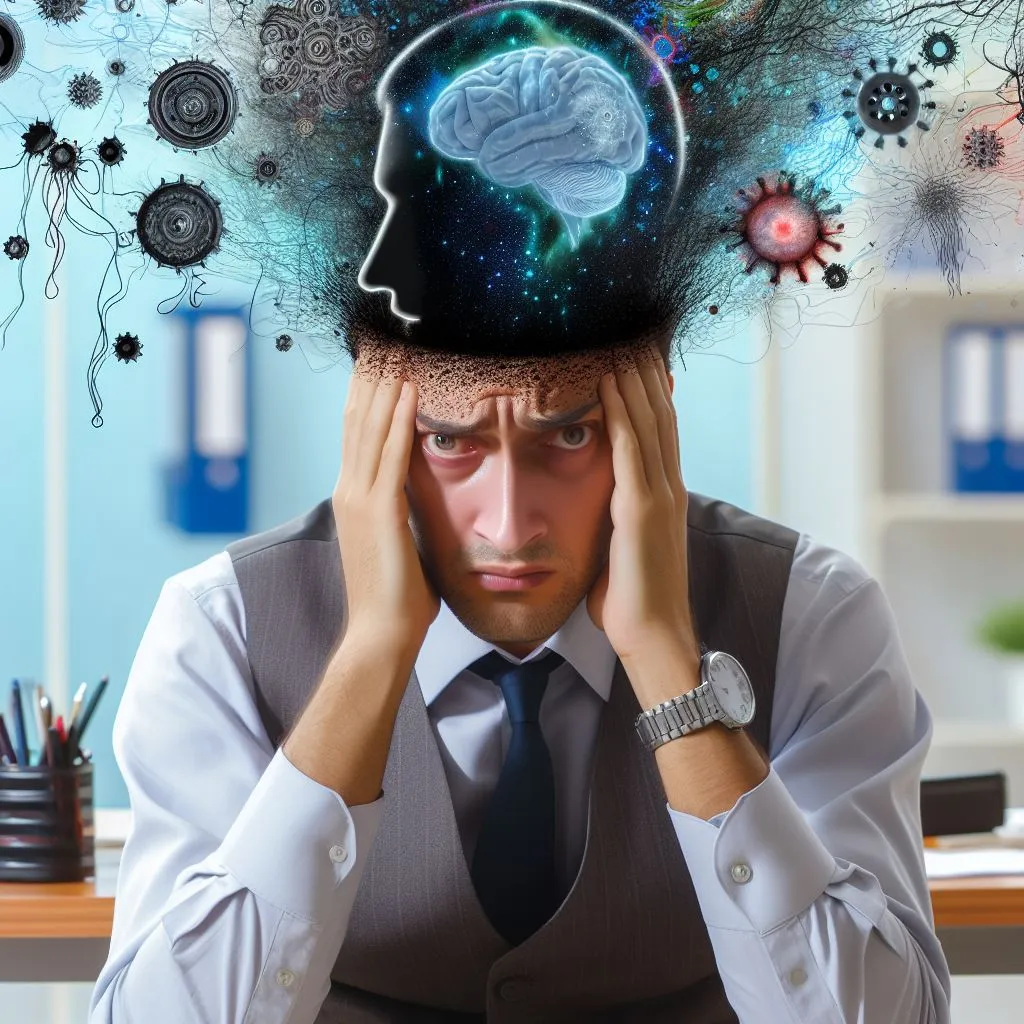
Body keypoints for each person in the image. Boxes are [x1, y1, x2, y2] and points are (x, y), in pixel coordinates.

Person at [88, 3, 953, 1022]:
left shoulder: (810, 613)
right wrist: (370, 655)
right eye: (450, 439)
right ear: (374, 416)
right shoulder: (220, 627)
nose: (509, 520)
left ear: (650, 413)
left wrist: (671, 668)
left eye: (570, 433)